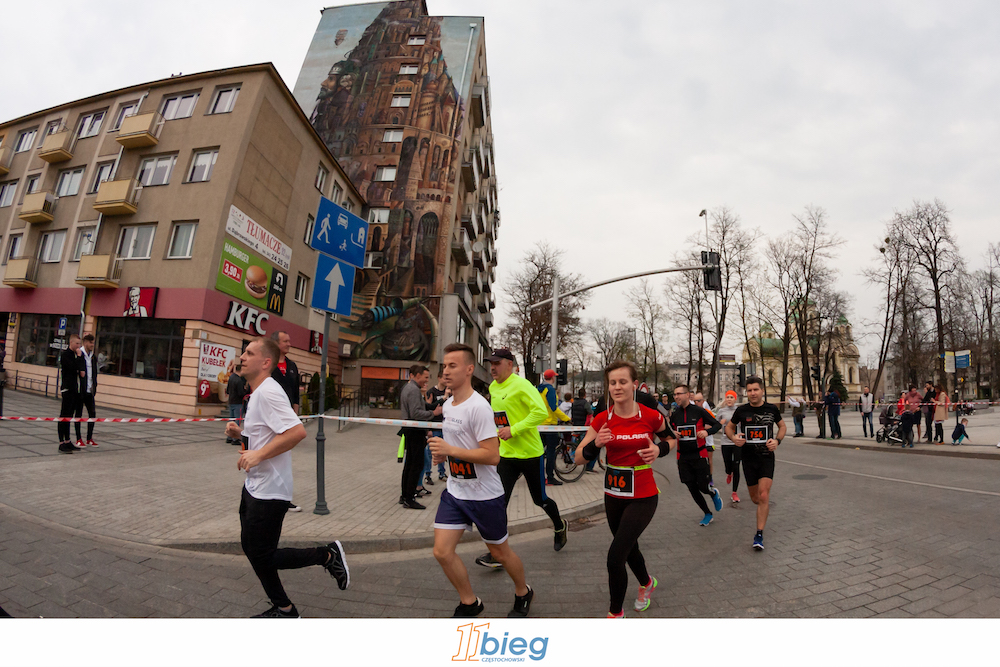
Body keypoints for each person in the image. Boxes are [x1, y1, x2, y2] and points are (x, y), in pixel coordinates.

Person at [224, 338, 349, 617]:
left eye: (249, 353)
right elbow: (264, 436)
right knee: (253, 549)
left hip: (270, 490)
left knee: (262, 554)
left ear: (265, 362)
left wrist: (258, 456)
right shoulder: (258, 393)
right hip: (255, 485)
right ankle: (284, 608)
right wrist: (240, 435)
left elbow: (296, 432)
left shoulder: (268, 392)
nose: (242, 357)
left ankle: (326, 556)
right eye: (243, 352)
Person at [428, 343, 534, 618]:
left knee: (500, 554)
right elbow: (457, 445)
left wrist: (451, 450)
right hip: (455, 492)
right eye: (444, 366)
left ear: (469, 369)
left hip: (484, 496)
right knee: (442, 552)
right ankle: (470, 602)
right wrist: (443, 455)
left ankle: (523, 591)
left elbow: (492, 456)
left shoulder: (479, 407)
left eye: (452, 366)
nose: (446, 371)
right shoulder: (448, 405)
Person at [574, 360, 674, 618]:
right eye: (612, 383)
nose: (617, 387)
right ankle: (647, 582)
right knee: (628, 547)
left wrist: (658, 449)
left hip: (643, 495)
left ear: (634, 385)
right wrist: (596, 444)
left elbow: (671, 438)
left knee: (615, 556)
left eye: (622, 382)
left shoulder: (650, 416)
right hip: (614, 494)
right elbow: (578, 457)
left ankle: (615, 614)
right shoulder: (603, 419)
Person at [475, 348, 568, 569]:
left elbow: (540, 413)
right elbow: (498, 418)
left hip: (530, 454)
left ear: (509, 364)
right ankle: (498, 553)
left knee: (540, 499)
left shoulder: (522, 385)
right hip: (507, 455)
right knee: (499, 502)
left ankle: (559, 526)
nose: (492, 368)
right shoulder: (493, 387)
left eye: (497, 363)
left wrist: (514, 430)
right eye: (491, 363)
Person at [725, 376, 786, 551]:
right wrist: (734, 438)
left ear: (762, 391)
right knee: (755, 499)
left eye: (756, 390)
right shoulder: (741, 410)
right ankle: (762, 510)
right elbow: (729, 427)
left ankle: (759, 534)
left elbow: (782, 427)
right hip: (748, 459)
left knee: (764, 495)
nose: (752, 393)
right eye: (749, 390)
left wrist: (777, 441)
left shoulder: (771, 409)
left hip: (766, 457)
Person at [670, 384, 723, 526]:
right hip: (682, 457)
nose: (676, 397)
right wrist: (673, 433)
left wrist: (706, 432)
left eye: (679, 394)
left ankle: (712, 493)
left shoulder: (699, 411)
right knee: (691, 487)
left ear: (688, 395)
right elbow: (669, 431)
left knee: (703, 487)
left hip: (699, 455)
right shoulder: (675, 414)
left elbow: (717, 425)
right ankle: (707, 513)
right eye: (675, 394)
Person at [399, 364, 442, 509]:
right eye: (425, 377)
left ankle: (405, 495)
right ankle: (409, 498)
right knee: (416, 465)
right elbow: (416, 413)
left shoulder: (409, 388)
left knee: (410, 464)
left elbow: (424, 406)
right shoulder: (413, 390)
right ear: (417, 375)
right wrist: (433, 414)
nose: (427, 380)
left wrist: (438, 404)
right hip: (415, 431)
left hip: (411, 430)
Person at [269, 331, 303, 511]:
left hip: (286, 419)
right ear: (276, 343)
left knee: (284, 458)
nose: (289, 344)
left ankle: (283, 498)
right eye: (286, 341)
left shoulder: (292, 366)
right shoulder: (268, 363)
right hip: (270, 418)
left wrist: (295, 413)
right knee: (270, 456)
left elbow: (295, 391)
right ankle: (268, 496)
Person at [537, 369, 570, 486]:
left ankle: (538, 476)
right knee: (551, 452)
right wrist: (566, 418)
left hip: (539, 425)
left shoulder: (539, 389)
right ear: (552, 378)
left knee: (539, 452)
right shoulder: (550, 390)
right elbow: (554, 408)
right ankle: (550, 477)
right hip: (550, 425)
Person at [423, 368, 449, 487]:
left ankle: (442, 473)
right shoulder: (431, 392)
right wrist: (428, 429)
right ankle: (428, 474)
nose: (446, 380)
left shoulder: (449, 392)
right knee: (430, 451)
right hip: (434, 426)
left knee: (443, 451)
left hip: (445, 426)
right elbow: (428, 409)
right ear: (439, 378)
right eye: (444, 377)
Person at [57, 335, 82, 454]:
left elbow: (79, 368)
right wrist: (78, 357)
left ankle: (67, 440)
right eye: (76, 343)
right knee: (64, 415)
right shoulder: (66, 355)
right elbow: (72, 368)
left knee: (69, 416)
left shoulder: (74, 355)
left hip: (74, 388)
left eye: (79, 344)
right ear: (71, 342)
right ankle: (61, 442)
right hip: (67, 388)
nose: (78, 346)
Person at [74, 334, 99, 448]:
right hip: (80, 390)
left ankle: (89, 438)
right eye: (90, 342)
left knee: (92, 414)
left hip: (90, 390)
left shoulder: (93, 357)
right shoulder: (79, 354)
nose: (92, 345)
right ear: (85, 343)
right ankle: (78, 439)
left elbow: (94, 373)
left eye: (93, 342)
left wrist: (94, 386)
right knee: (78, 414)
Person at [716, 390, 741, 503]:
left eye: (731, 397)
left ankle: (734, 492)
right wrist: (720, 424)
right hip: (725, 442)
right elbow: (715, 425)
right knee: (728, 464)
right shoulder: (722, 411)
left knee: (736, 466)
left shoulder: (739, 411)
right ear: (725, 399)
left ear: (735, 399)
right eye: (728, 397)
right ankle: (728, 472)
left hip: (737, 442)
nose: (729, 399)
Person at [693, 392, 717, 481]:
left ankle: (710, 478)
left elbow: (715, 425)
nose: (696, 403)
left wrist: (705, 429)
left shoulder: (708, 412)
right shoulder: (693, 413)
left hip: (708, 441)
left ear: (703, 401)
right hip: (697, 442)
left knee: (709, 461)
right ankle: (700, 478)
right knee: (698, 461)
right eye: (695, 401)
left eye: (698, 401)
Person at [226, 364, 249, 446]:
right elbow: (240, 393)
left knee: (231, 420)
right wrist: (246, 391)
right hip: (238, 403)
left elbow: (227, 390)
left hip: (231, 401)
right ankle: (235, 439)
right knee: (237, 421)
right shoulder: (239, 380)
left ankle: (229, 437)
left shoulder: (231, 377)